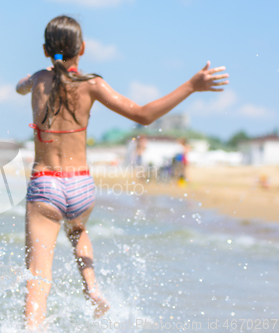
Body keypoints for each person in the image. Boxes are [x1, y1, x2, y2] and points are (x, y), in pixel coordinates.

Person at [16, 15, 228, 329]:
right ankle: (92, 286)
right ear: (83, 48)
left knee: (38, 278)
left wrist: (37, 75)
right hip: (80, 187)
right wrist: (191, 86)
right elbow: (143, 115)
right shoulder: (92, 85)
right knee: (76, 230)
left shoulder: (38, 79)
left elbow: (20, 87)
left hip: (45, 184)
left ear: (46, 50)